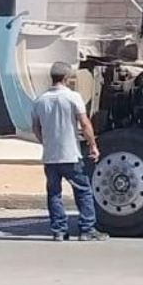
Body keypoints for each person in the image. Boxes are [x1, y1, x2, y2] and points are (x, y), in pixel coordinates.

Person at [31, 62, 108, 241]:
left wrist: (45, 142)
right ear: (67, 78)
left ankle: (59, 230)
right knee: (83, 191)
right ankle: (87, 229)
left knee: (54, 194)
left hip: (50, 156)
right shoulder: (73, 97)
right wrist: (93, 145)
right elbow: (85, 123)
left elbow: (35, 127)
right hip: (70, 154)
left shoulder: (40, 100)